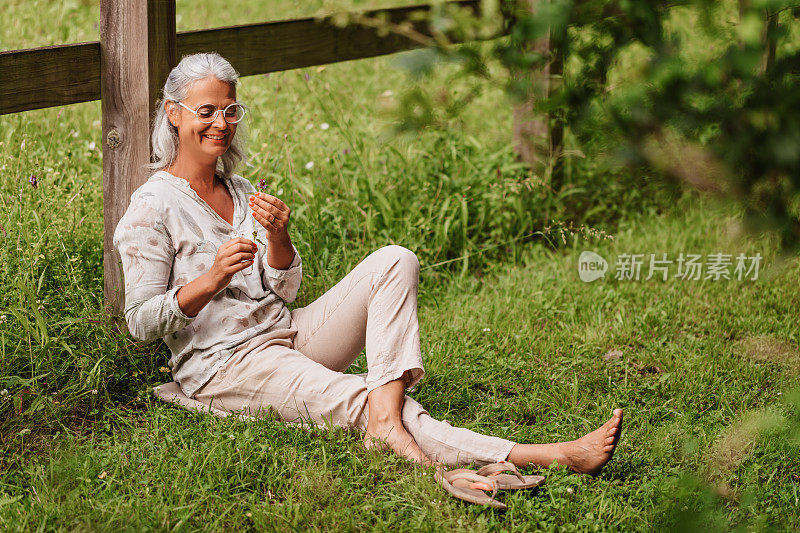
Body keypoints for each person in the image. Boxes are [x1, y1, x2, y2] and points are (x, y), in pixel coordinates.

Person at [113, 52, 623, 473]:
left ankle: (384, 422)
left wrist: (279, 237)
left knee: (395, 260)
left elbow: (283, 290)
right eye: (206, 111)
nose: (220, 124)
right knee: (367, 397)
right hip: (225, 364)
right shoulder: (152, 206)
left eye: (229, 111)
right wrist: (211, 278)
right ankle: (543, 455)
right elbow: (139, 322)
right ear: (173, 113)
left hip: (285, 333)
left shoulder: (241, 189)